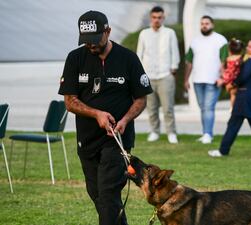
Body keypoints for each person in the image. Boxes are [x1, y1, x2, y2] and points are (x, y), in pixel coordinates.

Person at [58, 11, 153, 225]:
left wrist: (126, 119)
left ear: (108, 32)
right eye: (86, 40)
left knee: (108, 192)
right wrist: (97, 114)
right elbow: (70, 101)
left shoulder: (128, 58)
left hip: (117, 139)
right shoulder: (75, 58)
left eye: (95, 40)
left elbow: (141, 99)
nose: (90, 45)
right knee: (99, 195)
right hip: (87, 139)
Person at [208, 38, 251, 158]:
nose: (247, 49)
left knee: (234, 125)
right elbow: (241, 61)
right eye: (247, 46)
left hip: (245, 98)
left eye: (250, 47)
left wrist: (231, 84)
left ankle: (223, 151)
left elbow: (242, 77)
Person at [137, 6, 180, 144]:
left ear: (163, 18)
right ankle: (154, 131)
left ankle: (171, 132)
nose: (157, 20)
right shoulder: (144, 33)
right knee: (151, 107)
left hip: (165, 75)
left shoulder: (170, 33)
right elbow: (139, 54)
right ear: (151, 18)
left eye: (159, 17)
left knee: (168, 107)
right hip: (148, 76)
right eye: (154, 17)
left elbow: (175, 52)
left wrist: (173, 68)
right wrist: (140, 73)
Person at [184, 15, 228, 144]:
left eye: (207, 23)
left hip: (213, 80)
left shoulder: (220, 40)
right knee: (203, 108)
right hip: (197, 80)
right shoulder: (195, 41)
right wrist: (186, 80)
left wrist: (222, 77)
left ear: (212, 25)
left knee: (209, 108)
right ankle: (205, 133)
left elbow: (224, 61)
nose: (204, 25)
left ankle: (208, 134)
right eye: (202, 23)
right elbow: (189, 62)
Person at [222, 38, 243, 109]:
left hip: (228, 78)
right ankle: (234, 107)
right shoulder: (241, 58)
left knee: (232, 94)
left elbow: (225, 68)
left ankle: (232, 107)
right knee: (236, 94)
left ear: (230, 51)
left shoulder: (228, 59)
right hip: (236, 77)